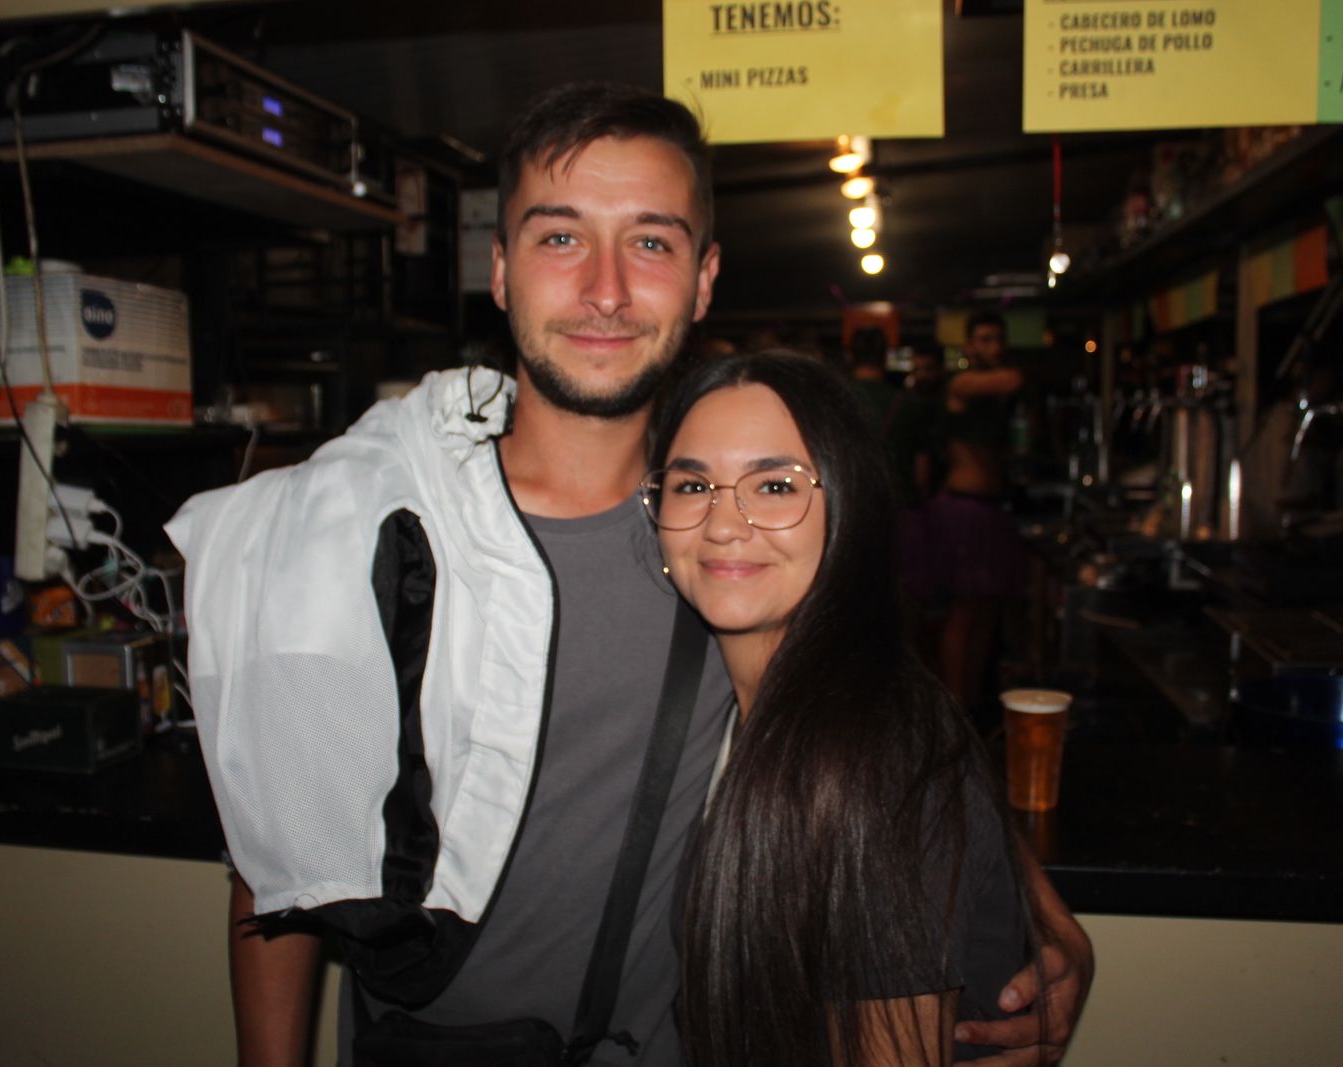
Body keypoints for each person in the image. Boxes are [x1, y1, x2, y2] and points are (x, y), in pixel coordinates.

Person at [167, 83, 1089, 1066]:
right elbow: (275, 848)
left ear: (703, 277)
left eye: (649, 242)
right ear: (501, 269)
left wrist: (1023, 901)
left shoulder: (727, 536)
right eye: (560, 238)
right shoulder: (370, 527)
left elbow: (860, 720)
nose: (605, 289)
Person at [643, 352, 1063, 1065]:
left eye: (774, 485)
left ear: (850, 507)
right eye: (693, 484)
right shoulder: (733, 697)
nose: (722, 523)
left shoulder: (874, 762)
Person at [921, 312, 1027, 721]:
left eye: (997, 339)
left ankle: (974, 701)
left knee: (987, 610)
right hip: (962, 508)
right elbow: (1012, 379)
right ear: (968, 346)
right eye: (983, 339)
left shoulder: (993, 395)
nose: (993, 347)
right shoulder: (961, 384)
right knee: (964, 610)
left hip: (991, 507)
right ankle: (955, 703)